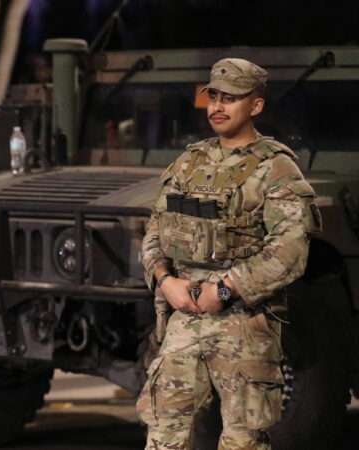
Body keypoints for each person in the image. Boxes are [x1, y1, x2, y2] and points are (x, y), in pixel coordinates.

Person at [136, 58, 321, 449]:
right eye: (214, 96)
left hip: (244, 324)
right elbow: (154, 230)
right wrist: (165, 281)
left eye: (231, 98)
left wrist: (225, 289)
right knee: (163, 432)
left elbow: (289, 252)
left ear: (255, 106)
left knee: (243, 440)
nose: (218, 107)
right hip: (184, 317)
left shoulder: (276, 169)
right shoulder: (189, 163)